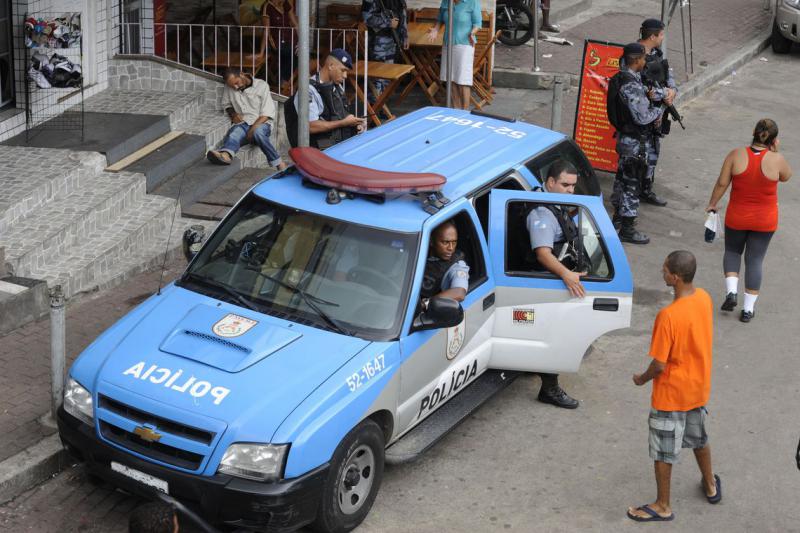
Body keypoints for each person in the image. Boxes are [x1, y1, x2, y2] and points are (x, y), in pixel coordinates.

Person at [628, 250, 720, 522]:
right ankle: (711, 484)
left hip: (671, 395)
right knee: (700, 438)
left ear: (676, 278)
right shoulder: (704, 297)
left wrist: (640, 379)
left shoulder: (668, 316)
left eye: (665, 269)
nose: (662, 272)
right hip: (697, 388)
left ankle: (662, 505)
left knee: (663, 450)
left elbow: (659, 365)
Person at [705, 118, 792, 322]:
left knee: (733, 251)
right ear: (774, 139)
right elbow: (786, 176)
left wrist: (712, 203)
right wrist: (776, 153)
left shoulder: (735, 155)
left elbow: (722, 183)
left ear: (754, 131)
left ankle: (731, 292)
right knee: (755, 260)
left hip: (737, 216)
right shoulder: (776, 159)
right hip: (765, 220)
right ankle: (747, 310)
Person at [525, 160, 581, 409]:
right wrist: (567, 275)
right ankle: (550, 388)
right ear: (550, 182)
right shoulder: (542, 214)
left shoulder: (553, 202)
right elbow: (543, 254)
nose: (571, 190)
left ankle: (531, 364)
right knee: (556, 334)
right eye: (565, 185)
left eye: (573, 186)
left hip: (552, 277)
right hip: (545, 281)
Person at [607, 42, 664, 245]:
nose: (644, 62)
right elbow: (642, 117)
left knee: (622, 180)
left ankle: (618, 219)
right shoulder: (629, 84)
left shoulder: (624, 77)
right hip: (634, 143)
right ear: (637, 60)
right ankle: (627, 229)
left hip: (627, 139)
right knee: (632, 183)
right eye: (642, 59)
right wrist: (659, 110)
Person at [206, 68, 287, 170]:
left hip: (262, 123)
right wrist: (233, 114)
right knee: (234, 134)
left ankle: (278, 163)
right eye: (232, 86)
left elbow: (267, 113)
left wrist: (253, 129)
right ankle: (226, 155)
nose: (235, 87)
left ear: (241, 74)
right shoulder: (229, 86)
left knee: (258, 133)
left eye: (237, 83)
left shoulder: (261, 86)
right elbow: (226, 104)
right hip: (243, 123)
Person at [286, 49, 366, 149]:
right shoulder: (308, 90)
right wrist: (343, 123)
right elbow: (310, 126)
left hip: (337, 146)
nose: (345, 76)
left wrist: (355, 125)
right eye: (343, 70)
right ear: (330, 66)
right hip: (317, 151)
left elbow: (340, 114)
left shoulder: (336, 86)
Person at [636, 18, 677, 207]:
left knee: (653, 154)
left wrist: (672, 91)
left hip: (656, 116)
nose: (662, 38)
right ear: (652, 36)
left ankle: (646, 189)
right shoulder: (635, 55)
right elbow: (640, 87)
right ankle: (630, 196)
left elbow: (668, 74)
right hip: (641, 118)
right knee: (637, 158)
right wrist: (663, 94)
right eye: (661, 34)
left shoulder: (657, 54)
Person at [426, 0, 481, 110]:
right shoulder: (446, 2)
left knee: (463, 80)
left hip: (465, 44)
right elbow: (440, 19)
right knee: (451, 79)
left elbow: (478, 24)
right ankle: (456, 110)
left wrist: (472, 32)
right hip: (448, 43)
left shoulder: (472, 2)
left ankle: (465, 112)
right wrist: (436, 30)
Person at [362, 0, 409, 97]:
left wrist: (405, 36)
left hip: (393, 41)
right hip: (378, 43)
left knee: (388, 76)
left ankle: (382, 105)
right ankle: (373, 107)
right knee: (377, 77)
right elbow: (367, 18)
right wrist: (388, 22)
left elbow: (402, 14)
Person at [420, 220, 469, 309]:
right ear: (431, 241)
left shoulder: (457, 266)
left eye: (454, 242)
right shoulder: (419, 252)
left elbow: (459, 292)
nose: (451, 248)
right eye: (445, 242)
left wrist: (425, 304)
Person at [260, 0, 298, 87]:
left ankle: (286, 81)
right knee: (294, 53)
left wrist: (302, 41)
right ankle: (284, 81)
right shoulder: (267, 6)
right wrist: (261, 52)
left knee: (301, 51)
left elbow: (295, 24)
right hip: (277, 42)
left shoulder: (285, 4)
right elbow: (266, 30)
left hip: (291, 39)